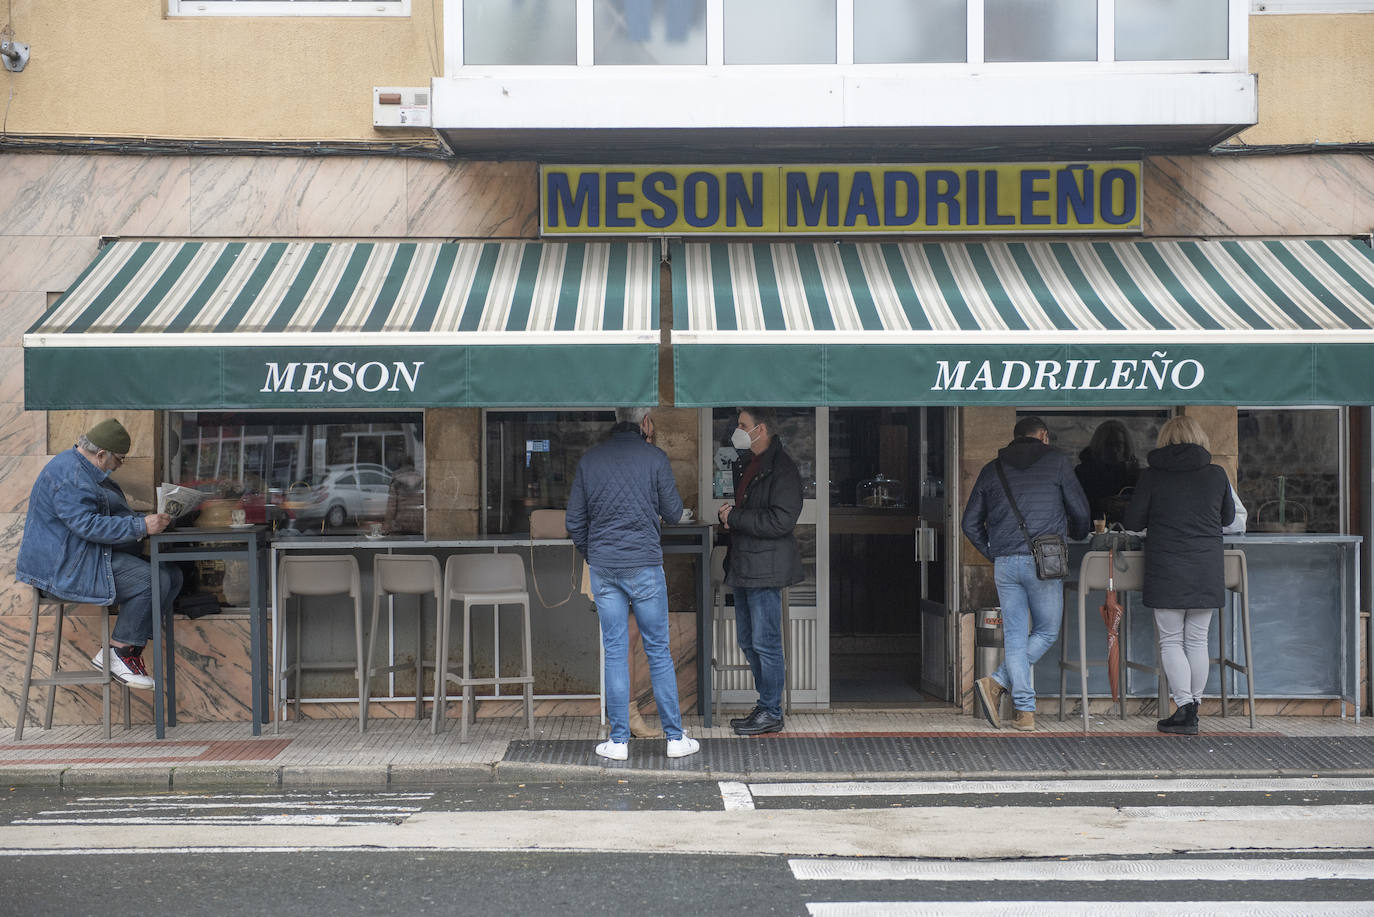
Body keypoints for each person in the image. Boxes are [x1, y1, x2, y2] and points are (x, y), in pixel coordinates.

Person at [566, 407, 700, 761]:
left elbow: (574, 521)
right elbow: (673, 513)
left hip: (605, 568)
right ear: (644, 423)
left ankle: (619, 741)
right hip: (644, 566)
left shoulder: (590, 460)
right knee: (657, 650)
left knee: (614, 652)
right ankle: (674, 739)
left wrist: (594, 554)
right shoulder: (654, 457)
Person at [15, 418, 181, 690]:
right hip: (65, 567)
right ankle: (118, 653)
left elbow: (99, 518)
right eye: (119, 459)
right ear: (101, 453)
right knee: (152, 580)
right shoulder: (69, 474)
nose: (119, 466)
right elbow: (87, 525)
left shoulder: (83, 469)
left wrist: (148, 522)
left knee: (171, 576)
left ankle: (128, 649)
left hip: (83, 555)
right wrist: (140, 526)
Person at [963, 415, 1090, 732]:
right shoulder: (1058, 463)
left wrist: (995, 552)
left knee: (1016, 639)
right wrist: (1078, 532)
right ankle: (998, 686)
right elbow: (1080, 512)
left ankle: (1025, 712)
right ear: (1044, 436)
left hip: (1006, 561)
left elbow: (969, 524)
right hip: (1045, 561)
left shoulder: (993, 469)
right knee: (1046, 631)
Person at [1123, 415, 1235, 736]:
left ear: (1165, 439)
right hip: (1205, 566)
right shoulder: (1216, 474)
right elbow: (1227, 517)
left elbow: (1132, 521)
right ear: (1199, 437)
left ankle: (1184, 708)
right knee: (1197, 639)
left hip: (1167, 566)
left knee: (1172, 640)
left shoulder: (1152, 476)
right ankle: (1193, 709)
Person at [718, 407, 803, 737]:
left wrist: (734, 518)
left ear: (761, 429)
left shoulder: (782, 470)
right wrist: (731, 515)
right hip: (745, 564)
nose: (736, 430)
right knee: (747, 640)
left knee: (765, 642)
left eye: (743, 425)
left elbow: (781, 520)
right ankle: (766, 703)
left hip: (764, 568)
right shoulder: (749, 464)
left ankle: (771, 711)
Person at [1074, 419, 1140, 525]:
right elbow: (1076, 505)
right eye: (1109, 445)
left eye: (1119, 444)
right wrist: (1101, 504)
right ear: (1099, 445)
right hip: (1092, 531)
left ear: (1125, 446)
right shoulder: (1083, 472)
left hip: (1128, 531)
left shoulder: (1132, 472)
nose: (1114, 450)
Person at [384, 455, 425, 535]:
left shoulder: (396, 482)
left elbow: (391, 507)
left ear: (400, 466)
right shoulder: (422, 480)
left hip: (401, 524)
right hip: (419, 523)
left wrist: (387, 526)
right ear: (413, 465)